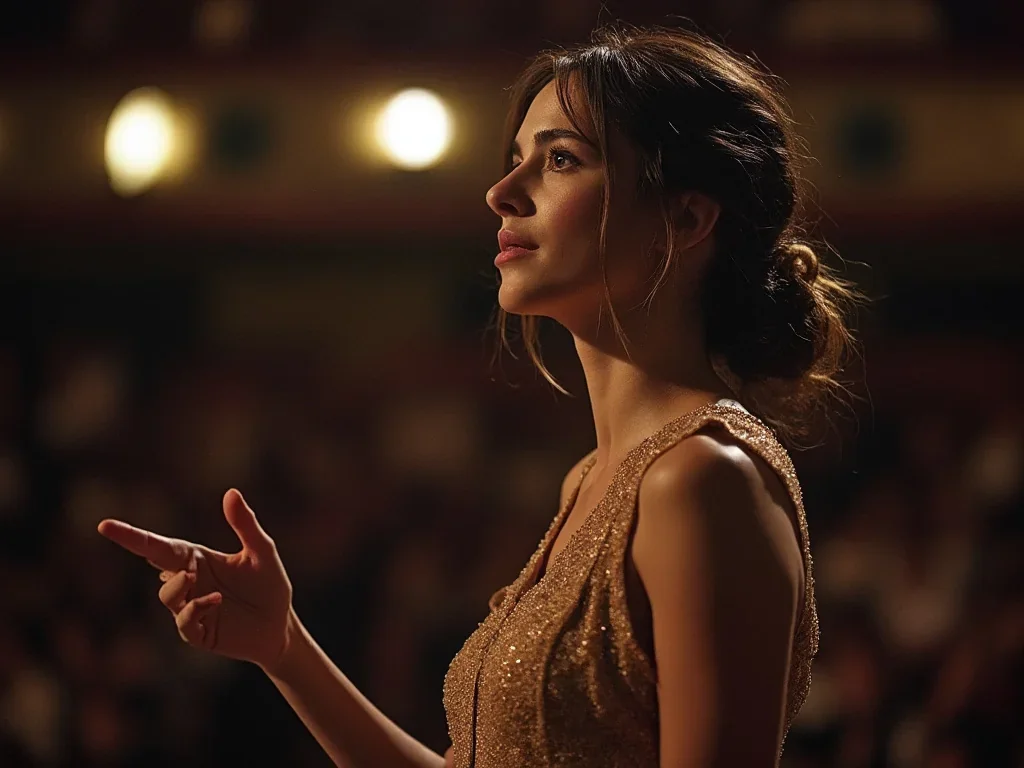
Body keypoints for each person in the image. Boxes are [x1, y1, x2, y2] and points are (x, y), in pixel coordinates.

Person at [98, 22, 861, 768]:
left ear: (685, 217)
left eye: (560, 160)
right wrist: (285, 648)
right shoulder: (592, 480)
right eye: (514, 160)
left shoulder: (703, 480)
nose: (502, 192)